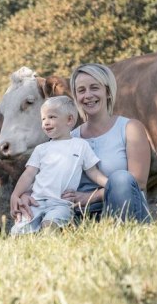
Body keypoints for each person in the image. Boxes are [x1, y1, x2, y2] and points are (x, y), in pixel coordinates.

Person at [13, 63, 152, 223]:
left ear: (107, 91)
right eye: (81, 90)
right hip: (79, 215)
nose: (88, 95)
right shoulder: (68, 137)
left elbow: (138, 182)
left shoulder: (129, 128)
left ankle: (121, 229)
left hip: (124, 210)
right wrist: (25, 195)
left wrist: (91, 196)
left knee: (121, 178)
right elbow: (48, 178)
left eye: (94, 88)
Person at [9, 96, 107, 234]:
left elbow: (93, 172)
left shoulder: (80, 145)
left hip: (61, 203)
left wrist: (110, 185)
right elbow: (28, 175)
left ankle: (50, 235)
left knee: (50, 226)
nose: (46, 122)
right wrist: (15, 195)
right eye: (43, 119)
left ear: (69, 120)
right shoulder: (41, 149)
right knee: (19, 231)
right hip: (36, 202)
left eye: (52, 117)